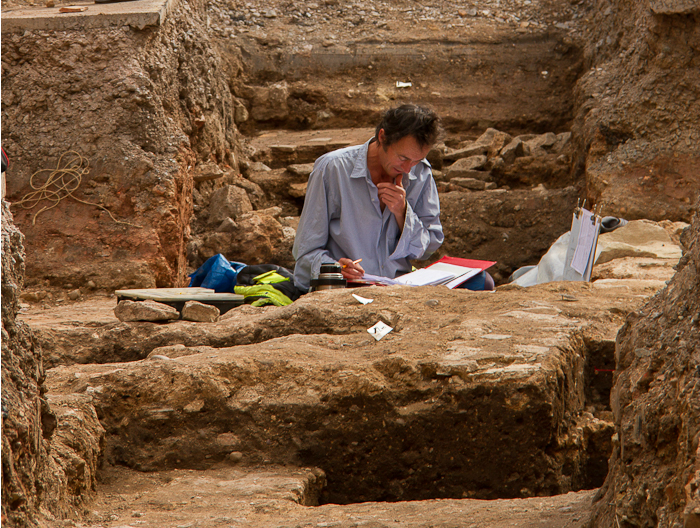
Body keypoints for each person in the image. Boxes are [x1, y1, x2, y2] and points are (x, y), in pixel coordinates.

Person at [292, 104, 444, 291]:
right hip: (346, 292)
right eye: (403, 158)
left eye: (417, 160)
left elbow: (428, 248)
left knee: (482, 281)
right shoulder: (332, 169)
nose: (407, 169)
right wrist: (335, 269)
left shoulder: (421, 173)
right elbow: (306, 253)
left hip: (399, 290)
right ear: (383, 137)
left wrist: (403, 213)